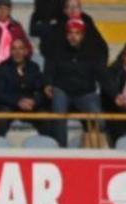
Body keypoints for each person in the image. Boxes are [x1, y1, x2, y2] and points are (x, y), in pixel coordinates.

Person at [44, 18, 105, 147]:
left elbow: (102, 74)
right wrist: (47, 84)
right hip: (62, 90)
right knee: (58, 117)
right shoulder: (56, 50)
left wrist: (116, 94)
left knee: (100, 121)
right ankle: (62, 150)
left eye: (77, 33)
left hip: (85, 92)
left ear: (82, 35)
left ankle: (89, 148)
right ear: (66, 35)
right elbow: (49, 69)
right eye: (70, 33)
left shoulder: (93, 52)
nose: (73, 37)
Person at [0, 38, 49, 137]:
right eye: (14, 49)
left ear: (25, 51)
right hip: (10, 105)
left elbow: (40, 89)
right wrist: (18, 101)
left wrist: (34, 101)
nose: (17, 52)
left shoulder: (33, 67)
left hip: (31, 105)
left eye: (20, 48)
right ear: (10, 51)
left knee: (45, 117)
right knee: (2, 116)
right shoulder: (3, 68)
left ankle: (49, 144)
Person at [40, 0, 108, 65]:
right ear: (64, 10)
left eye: (76, 7)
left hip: (86, 67)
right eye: (69, 7)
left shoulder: (88, 24)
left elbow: (102, 49)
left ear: (80, 9)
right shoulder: (57, 27)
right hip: (63, 67)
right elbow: (46, 48)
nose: (73, 10)